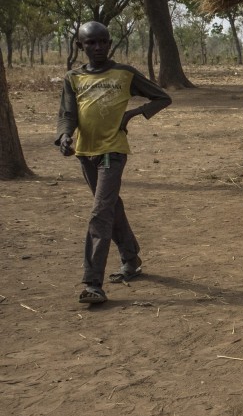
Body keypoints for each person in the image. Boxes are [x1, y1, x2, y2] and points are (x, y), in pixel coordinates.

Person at [55, 21, 171, 305]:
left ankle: (92, 283)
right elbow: (67, 114)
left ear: (110, 43)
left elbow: (162, 97)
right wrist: (65, 136)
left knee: (100, 212)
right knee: (110, 206)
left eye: (103, 42)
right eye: (91, 43)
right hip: (85, 153)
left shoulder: (125, 74)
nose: (98, 47)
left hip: (113, 151)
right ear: (80, 46)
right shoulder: (73, 78)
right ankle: (131, 258)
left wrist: (133, 114)